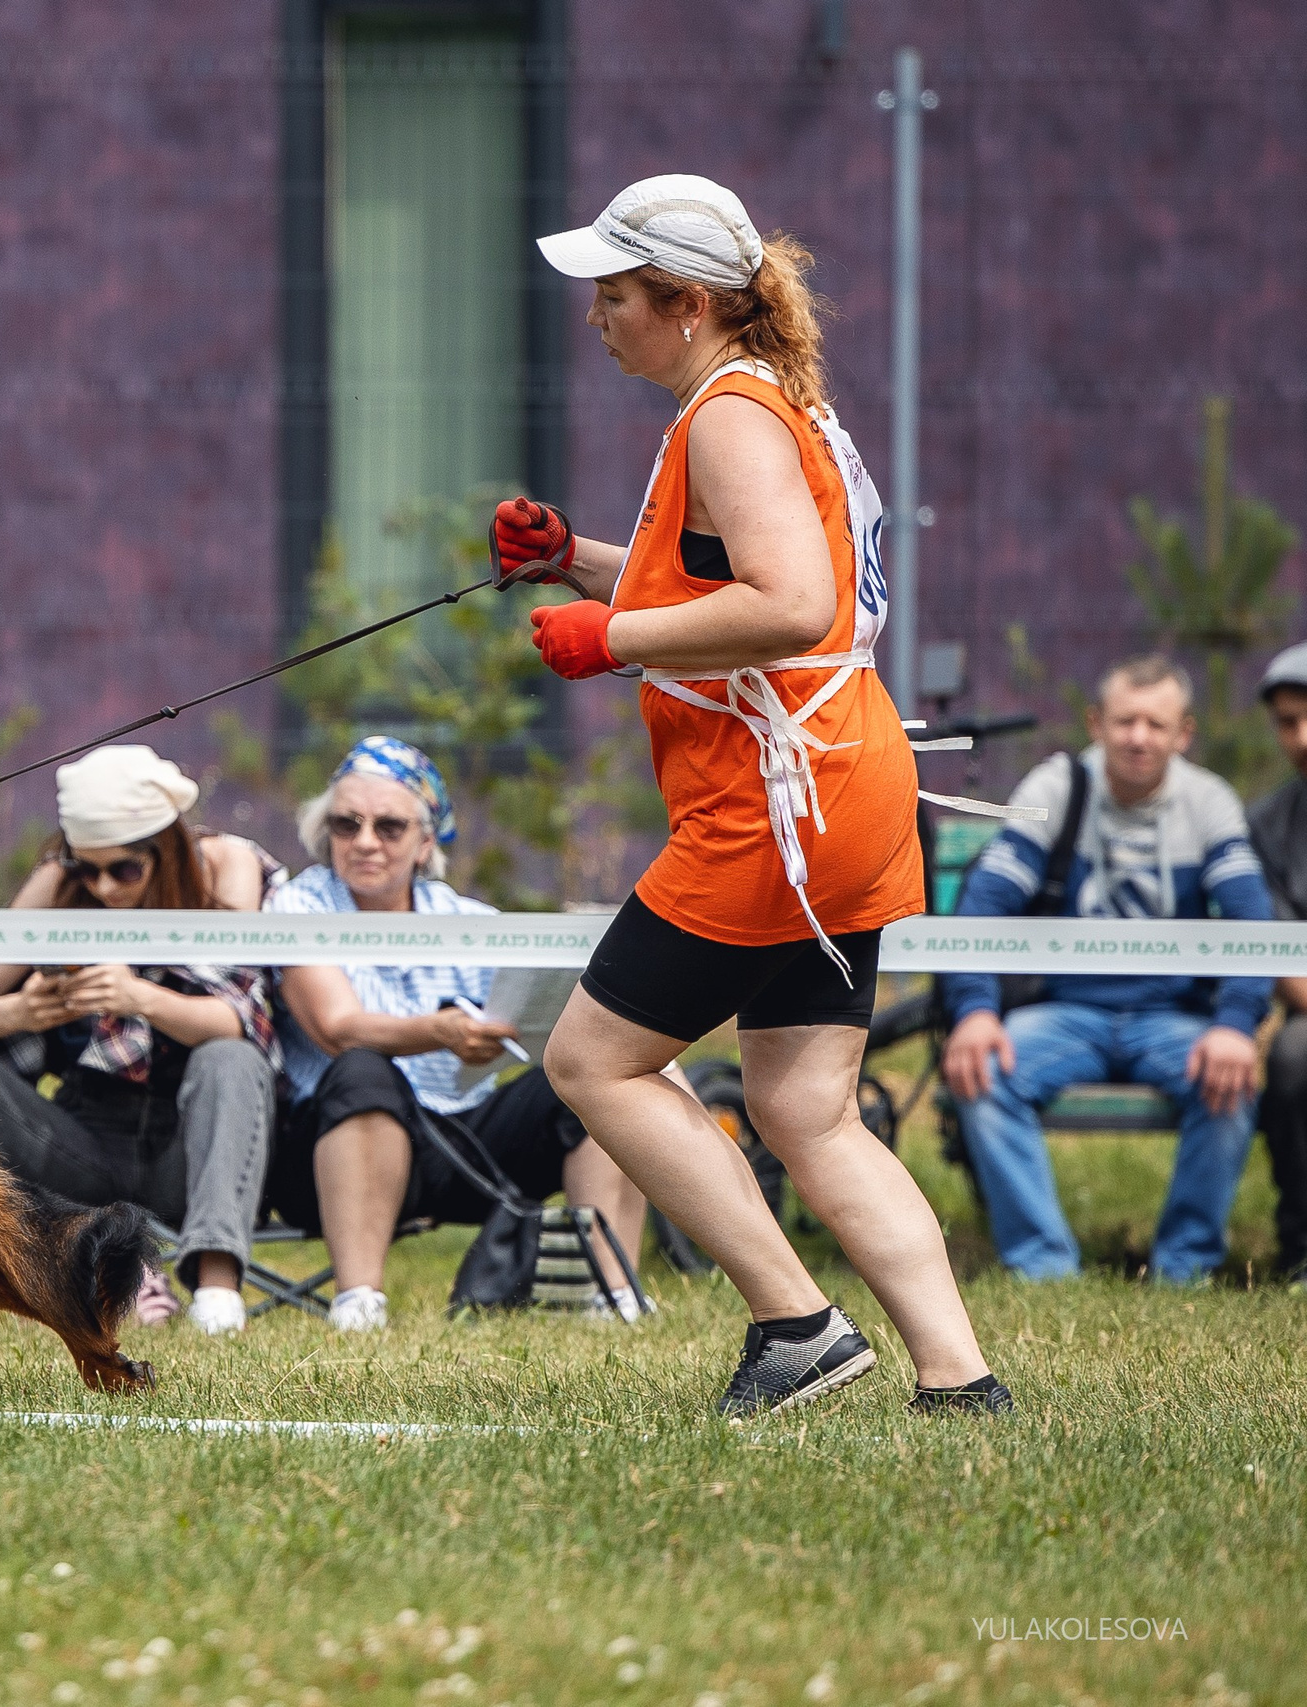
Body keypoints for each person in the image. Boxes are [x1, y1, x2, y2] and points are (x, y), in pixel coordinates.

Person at [513, 174, 1008, 1417]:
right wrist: (575, 556)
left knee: (591, 1062)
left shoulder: (726, 418)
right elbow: (729, 578)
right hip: (845, 786)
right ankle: (959, 1382)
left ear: (685, 304)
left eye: (615, 296)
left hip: (774, 809)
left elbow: (790, 606)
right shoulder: (773, 400)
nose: (598, 318)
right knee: (805, 1107)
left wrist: (608, 639)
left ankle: (796, 1327)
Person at [262, 737, 649, 1332]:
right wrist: (439, 1033)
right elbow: (337, 1030)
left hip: (466, 1138)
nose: (364, 841)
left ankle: (615, 1295)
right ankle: (358, 1302)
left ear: (425, 842)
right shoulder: (300, 902)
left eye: (388, 827)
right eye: (346, 823)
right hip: (331, 1147)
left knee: (600, 1081)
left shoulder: (467, 919)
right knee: (362, 1069)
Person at [0, 745, 281, 1336]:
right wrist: (20, 1011)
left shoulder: (227, 865)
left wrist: (139, 998)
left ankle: (217, 1291)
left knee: (231, 1058)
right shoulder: (55, 882)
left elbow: (240, 1019)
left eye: (125, 869)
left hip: (188, 1147)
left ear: (168, 850)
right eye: (87, 868)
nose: (102, 887)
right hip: (78, 1143)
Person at [940, 657, 1276, 1284]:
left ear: (1184, 735)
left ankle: (1184, 1268)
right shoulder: (1057, 788)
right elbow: (984, 903)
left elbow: (1252, 925)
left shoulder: (1209, 803)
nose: (1139, 737)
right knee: (982, 1069)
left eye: (1156, 723)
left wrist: (1234, 1024)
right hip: (1067, 1013)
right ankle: (1044, 1268)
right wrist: (976, 1011)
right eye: (1125, 720)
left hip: (1173, 1018)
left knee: (1232, 1080)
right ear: (1096, 724)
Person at [1246, 643, 1307, 1286]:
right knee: (1294, 1057)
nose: (1302, 737)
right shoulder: (1266, 824)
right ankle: (1301, 1248)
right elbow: (1279, 950)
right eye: (1288, 722)